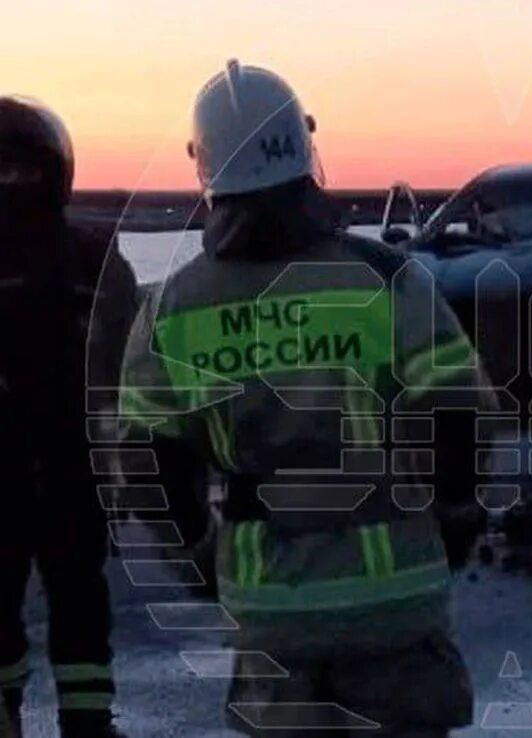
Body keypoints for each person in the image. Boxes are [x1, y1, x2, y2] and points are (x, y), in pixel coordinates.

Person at [119, 61, 495, 736]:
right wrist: (457, 518)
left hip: (269, 614)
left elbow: (150, 462)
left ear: (204, 168)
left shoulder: (172, 309)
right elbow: (458, 416)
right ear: (304, 147)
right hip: (397, 606)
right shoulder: (385, 278)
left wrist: (199, 555)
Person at [0, 97, 136, 737]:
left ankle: (83, 718)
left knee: (76, 599)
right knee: (79, 598)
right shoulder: (95, 256)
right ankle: (88, 721)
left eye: (17, 171)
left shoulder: (95, 258)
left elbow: (129, 371)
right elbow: (134, 371)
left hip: (66, 470)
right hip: (70, 470)